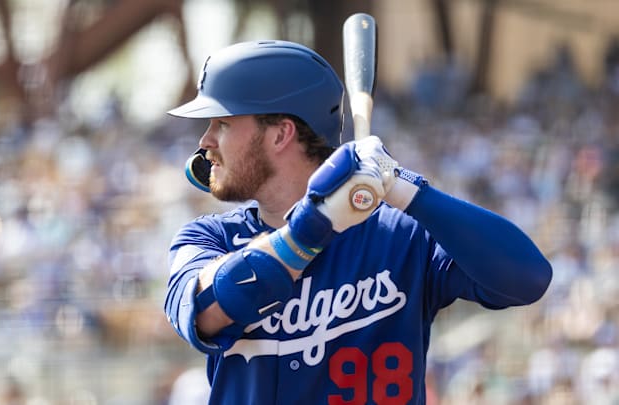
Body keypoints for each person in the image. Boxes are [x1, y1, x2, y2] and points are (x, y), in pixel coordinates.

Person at [163, 40, 552, 405]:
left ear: (281, 133)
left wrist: (406, 188)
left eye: (223, 124)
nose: (205, 141)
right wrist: (312, 227)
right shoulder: (209, 237)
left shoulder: (399, 233)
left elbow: (527, 279)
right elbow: (204, 309)